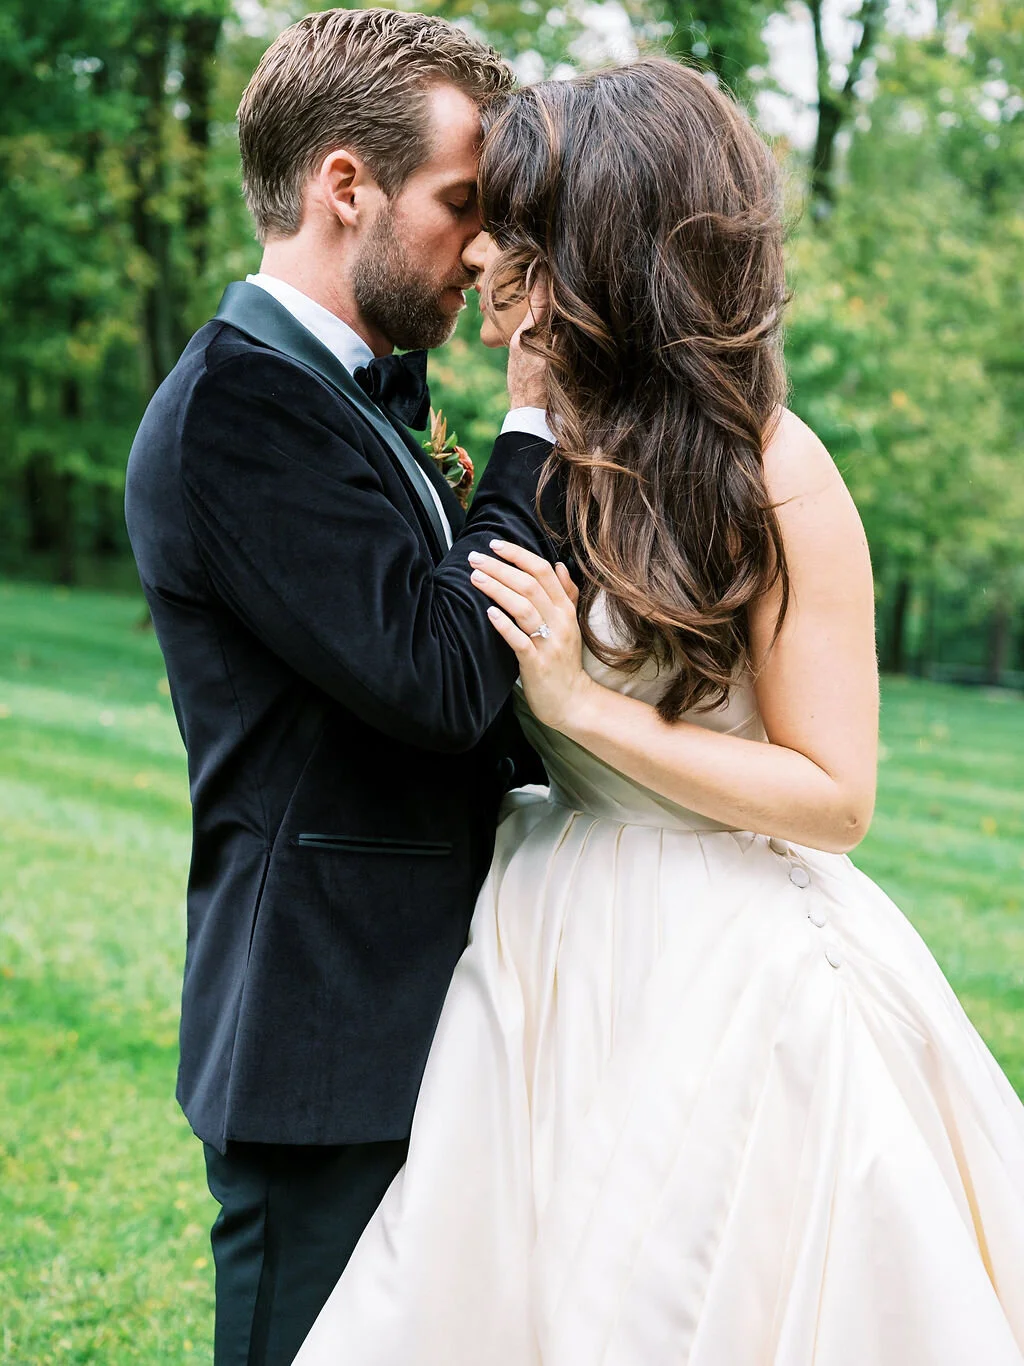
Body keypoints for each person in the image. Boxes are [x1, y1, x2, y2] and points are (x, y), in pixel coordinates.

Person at [294, 59, 1024, 1366]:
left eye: (519, 226)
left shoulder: (771, 466)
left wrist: (585, 705)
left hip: (724, 959)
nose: (486, 254)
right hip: (545, 935)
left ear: (601, 246)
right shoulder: (538, 443)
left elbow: (836, 796)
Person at [124, 10, 561, 1364]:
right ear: (345, 185)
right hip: (322, 1030)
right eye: (461, 204)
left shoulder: (359, 390)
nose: (481, 250)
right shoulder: (238, 409)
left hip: (421, 1006)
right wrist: (530, 426)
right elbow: (440, 677)